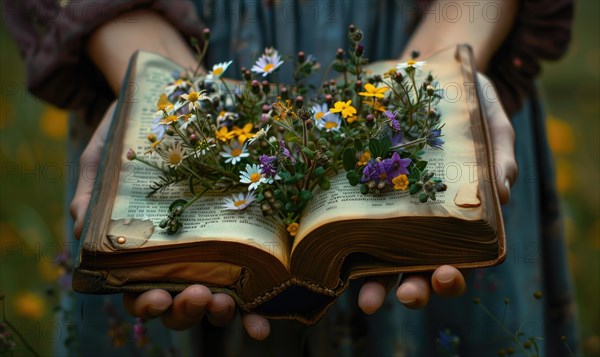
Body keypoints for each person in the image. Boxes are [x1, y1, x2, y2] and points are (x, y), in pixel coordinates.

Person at [3, 0, 576, 355]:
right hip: (159, 36)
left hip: (430, 30)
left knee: (442, 226)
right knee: (164, 250)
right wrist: (154, 81)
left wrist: (441, 73)